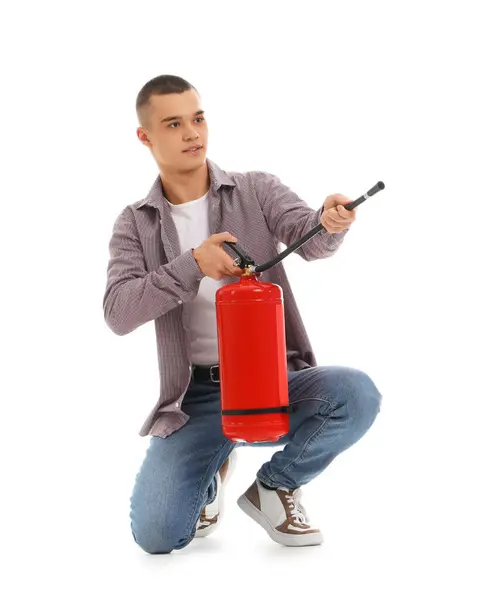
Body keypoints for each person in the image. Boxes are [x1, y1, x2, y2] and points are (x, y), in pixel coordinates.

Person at [103, 74, 382, 554]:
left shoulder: (254, 189)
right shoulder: (135, 223)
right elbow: (118, 312)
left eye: (198, 118)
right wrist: (190, 266)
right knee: (157, 536)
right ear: (145, 137)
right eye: (174, 123)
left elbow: (308, 236)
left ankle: (275, 486)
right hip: (197, 398)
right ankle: (211, 470)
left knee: (354, 393)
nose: (193, 133)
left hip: (271, 383)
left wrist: (329, 221)